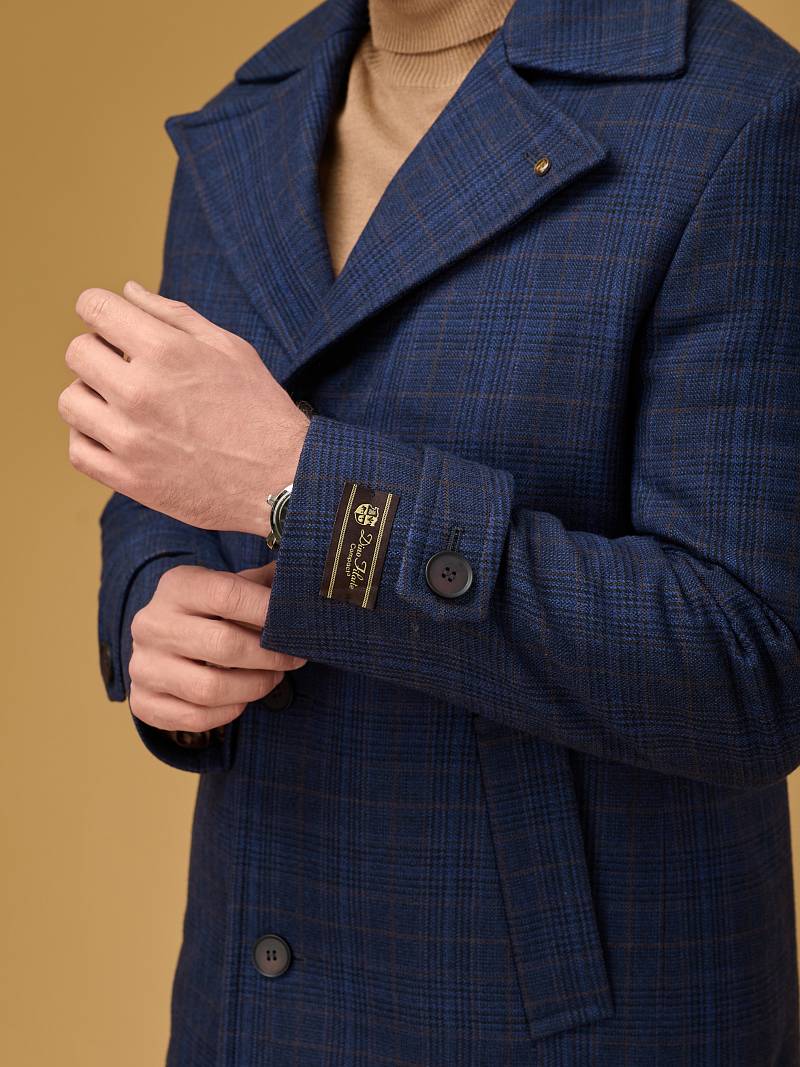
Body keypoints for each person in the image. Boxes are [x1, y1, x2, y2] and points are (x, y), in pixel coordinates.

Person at [58, 0, 800, 1062]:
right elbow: (178, 486)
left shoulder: (738, 110)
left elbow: (752, 660)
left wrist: (305, 489)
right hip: (251, 991)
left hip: (559, 1021)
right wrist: (151, 604)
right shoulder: (255, 111)